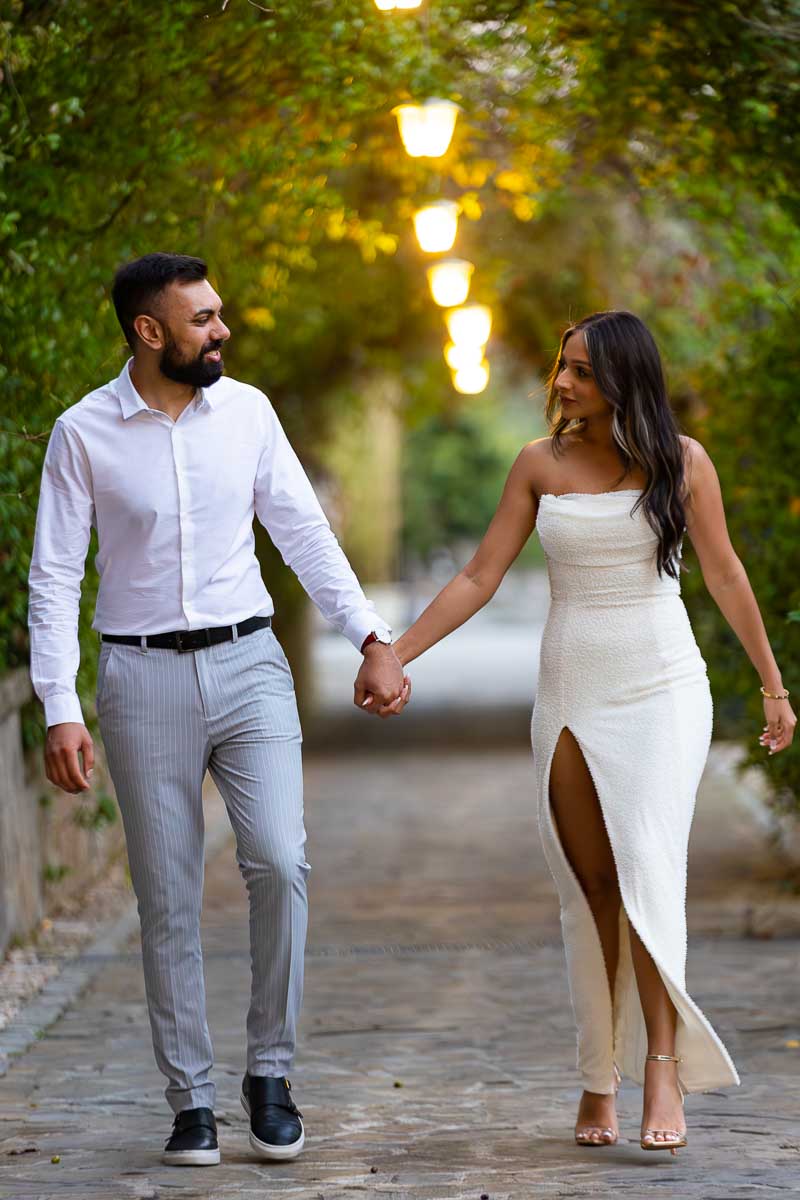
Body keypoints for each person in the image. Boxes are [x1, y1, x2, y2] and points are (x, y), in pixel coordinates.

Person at [376, 310, 795, 1154]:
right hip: (570, 683)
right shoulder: (538, 464)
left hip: (663, 684)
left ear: (623, 380)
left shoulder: (684, 462)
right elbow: (478, 573)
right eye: (561, 366)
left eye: (580, 371)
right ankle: (598, 1078)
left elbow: (722, 570)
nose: (562, 384)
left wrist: (773, 685)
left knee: (647, 871)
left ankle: (664, 1070)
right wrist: (395, 652)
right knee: (590, 886)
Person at [27, 252, 409, 1167]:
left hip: (250, 663)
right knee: (166, 901)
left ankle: (269, 1074)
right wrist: (57, 704)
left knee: (280, 860)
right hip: (140, 678)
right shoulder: (82, 432)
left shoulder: (249, 413)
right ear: (149, 332)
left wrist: (370, 635)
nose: (221, 330)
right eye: (201, 319)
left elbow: (301, 530)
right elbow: (53, 576)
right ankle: (190, 1100)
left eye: (218, 314)